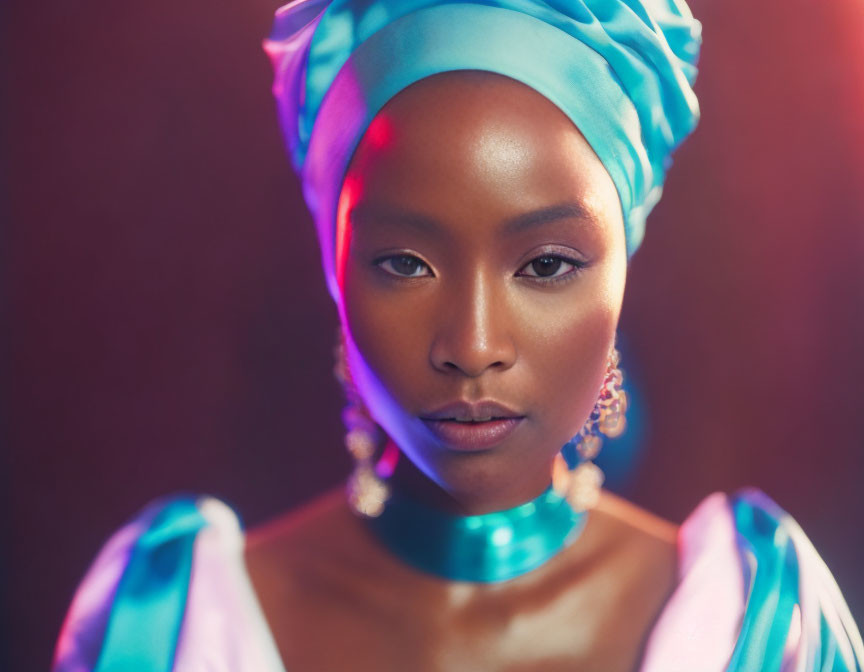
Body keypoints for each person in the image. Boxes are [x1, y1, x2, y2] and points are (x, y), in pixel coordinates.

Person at [52, 0, 864, 670]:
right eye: (404, 263)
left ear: (625, 263)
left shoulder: (758, 630)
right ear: (335, 271)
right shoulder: (168, 626)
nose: (472, 346)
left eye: (545, 264)